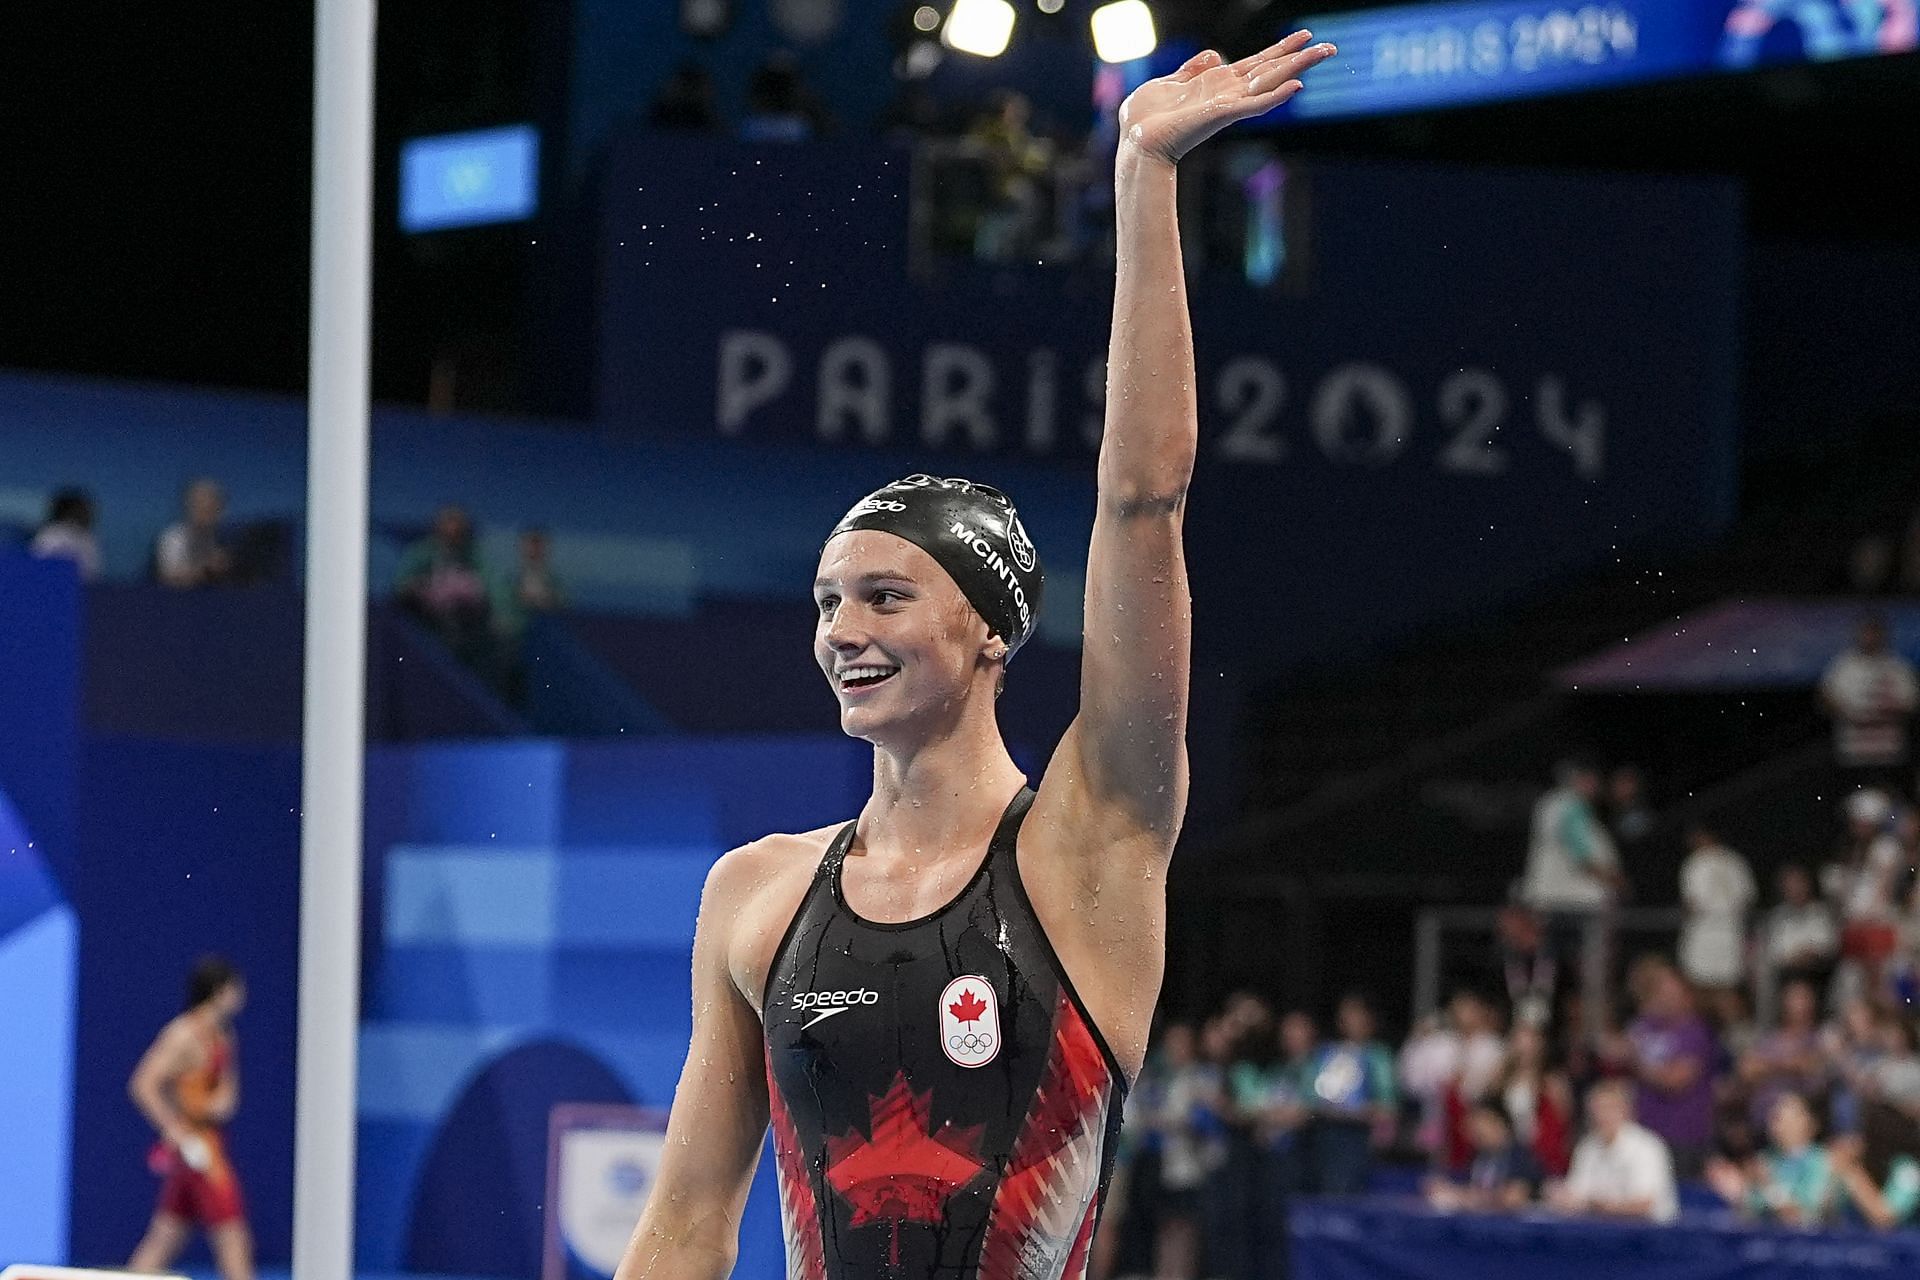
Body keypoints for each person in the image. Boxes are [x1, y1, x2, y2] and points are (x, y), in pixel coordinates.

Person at [612, 33, 1339, 1280]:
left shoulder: (1089, 846)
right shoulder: (755, 896)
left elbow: (1145, 501)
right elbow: (684, 1224)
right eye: (830, 599)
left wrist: (1146, 178)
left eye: (887, 595)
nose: (844, 629)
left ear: (991, 630)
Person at [127, 956, 251, 1280]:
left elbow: (225, 1098)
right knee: (233, 1239)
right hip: (199, 1152)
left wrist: (216, 1103)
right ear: (220, 990)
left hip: (210, 1143)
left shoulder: (223, 1036)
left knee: (164, 1239)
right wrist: (175, 1131)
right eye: (236, 987)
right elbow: (143, 1083)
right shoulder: (183, 1034)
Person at [1621, 963, 1716, 1179]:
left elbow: (1677, 1080)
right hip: (1643, 1134)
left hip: (1682, 1136)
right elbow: (1616, 1049)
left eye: (1671, 992)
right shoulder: (1643, 1026)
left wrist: (1637, 1062)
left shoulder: (1694, 1032)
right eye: (1660, 992)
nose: (1665, 998)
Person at [1547, 1079, 1678, 1223]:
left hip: (1651, 1234)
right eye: (1598, 1109)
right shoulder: (1587, 1147)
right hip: (1602, 1231)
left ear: (1626, 1110)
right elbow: (1575, 1195)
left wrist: (1595, 1205)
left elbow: (1644, 1204)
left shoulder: (1647, 1147)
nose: (1603, 1115)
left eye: (1610, 1108)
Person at [1306, 993, 1397, 1195]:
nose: (1353, 1021)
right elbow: (1312, 1095)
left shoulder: (1377, 1055)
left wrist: (1370, 1114)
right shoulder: (1326, 1052)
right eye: (1347, 1016)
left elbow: (1388, 1102)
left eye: (1358, 1016)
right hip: (1326, 1131)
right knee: (1325, 1188)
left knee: (1349, 1191)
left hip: (1357, 1135)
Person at [1820, 614, 1917, 797]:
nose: (1870, 637)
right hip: (1854, 751)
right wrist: (1852, 713)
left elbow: (1911, 703)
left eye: (1874, 633)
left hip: (1889, 751)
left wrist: (1884, 712)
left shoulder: (1898, 667)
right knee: (1855, 805)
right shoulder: (1844, 666)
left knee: (1892, 804)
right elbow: (1826, 698)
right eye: (1866, 632)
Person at [1706, 1092, 1835, 1226]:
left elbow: (1800, 1217)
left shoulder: (1819, 1161)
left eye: (1783, 1117)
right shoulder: (1764, 1158)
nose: (1775, 1124)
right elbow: (1750, 1211)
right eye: (1774, 1117)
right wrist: (1737, 1192)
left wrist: (1768, 1185)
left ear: (1808, 1122)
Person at [1676, 825, 1756, 999]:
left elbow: (1690, 903)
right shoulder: (1736, 861)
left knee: (1724, 991)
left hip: (1717, 934)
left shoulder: (1696, 863)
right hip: (1720, 933)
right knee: (1702, 987)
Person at [1424, 1098, 1543, 1214]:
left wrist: (1466, 1196)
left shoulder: (1522, 1157)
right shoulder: (1477, 1156)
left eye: (1482, 1125)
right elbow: (1468, 1186)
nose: (1476, 1132)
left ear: (1499, 1124)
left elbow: (1514, 1197)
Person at [1761, 864, 1839, 1005]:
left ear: (1808, 885)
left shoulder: (1821, 913)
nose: (1795, 890)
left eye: (1798, 884)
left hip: (1818, 974)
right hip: (1786, 975)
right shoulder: (1777, 916)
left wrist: (1806, 956)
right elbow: (1775, 953)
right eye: (1790, 886)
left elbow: (1828, 946)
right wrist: (1796, 957)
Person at [155, 478, 235, 588]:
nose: (205, 514)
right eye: (199, 506)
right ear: (188, 507)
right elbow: (169, 576)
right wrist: (206, 569)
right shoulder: (173, 537)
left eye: (211, 507)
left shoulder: (227, 536)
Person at [29, 486, 101, 581]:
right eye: (81, 511)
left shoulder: (88, 539)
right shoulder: (50, 535)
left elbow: (93, 572)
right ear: (68, 512)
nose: (87, 515)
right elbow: (38, 566)